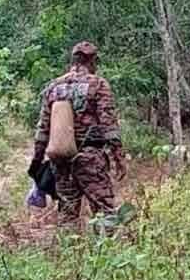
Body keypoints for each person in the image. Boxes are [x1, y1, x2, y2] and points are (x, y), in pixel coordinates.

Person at [29, 41, 125, 223]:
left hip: (61, 160)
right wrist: (118, 157)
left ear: (73, 60)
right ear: (93, 61)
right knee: (104, 211)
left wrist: (37, 161)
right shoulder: (98, 84)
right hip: (90, 158)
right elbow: (109, 125)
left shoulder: (53, 87)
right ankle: (106, 249)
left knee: (67, 213)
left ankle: (69, 249)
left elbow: (43, 130)